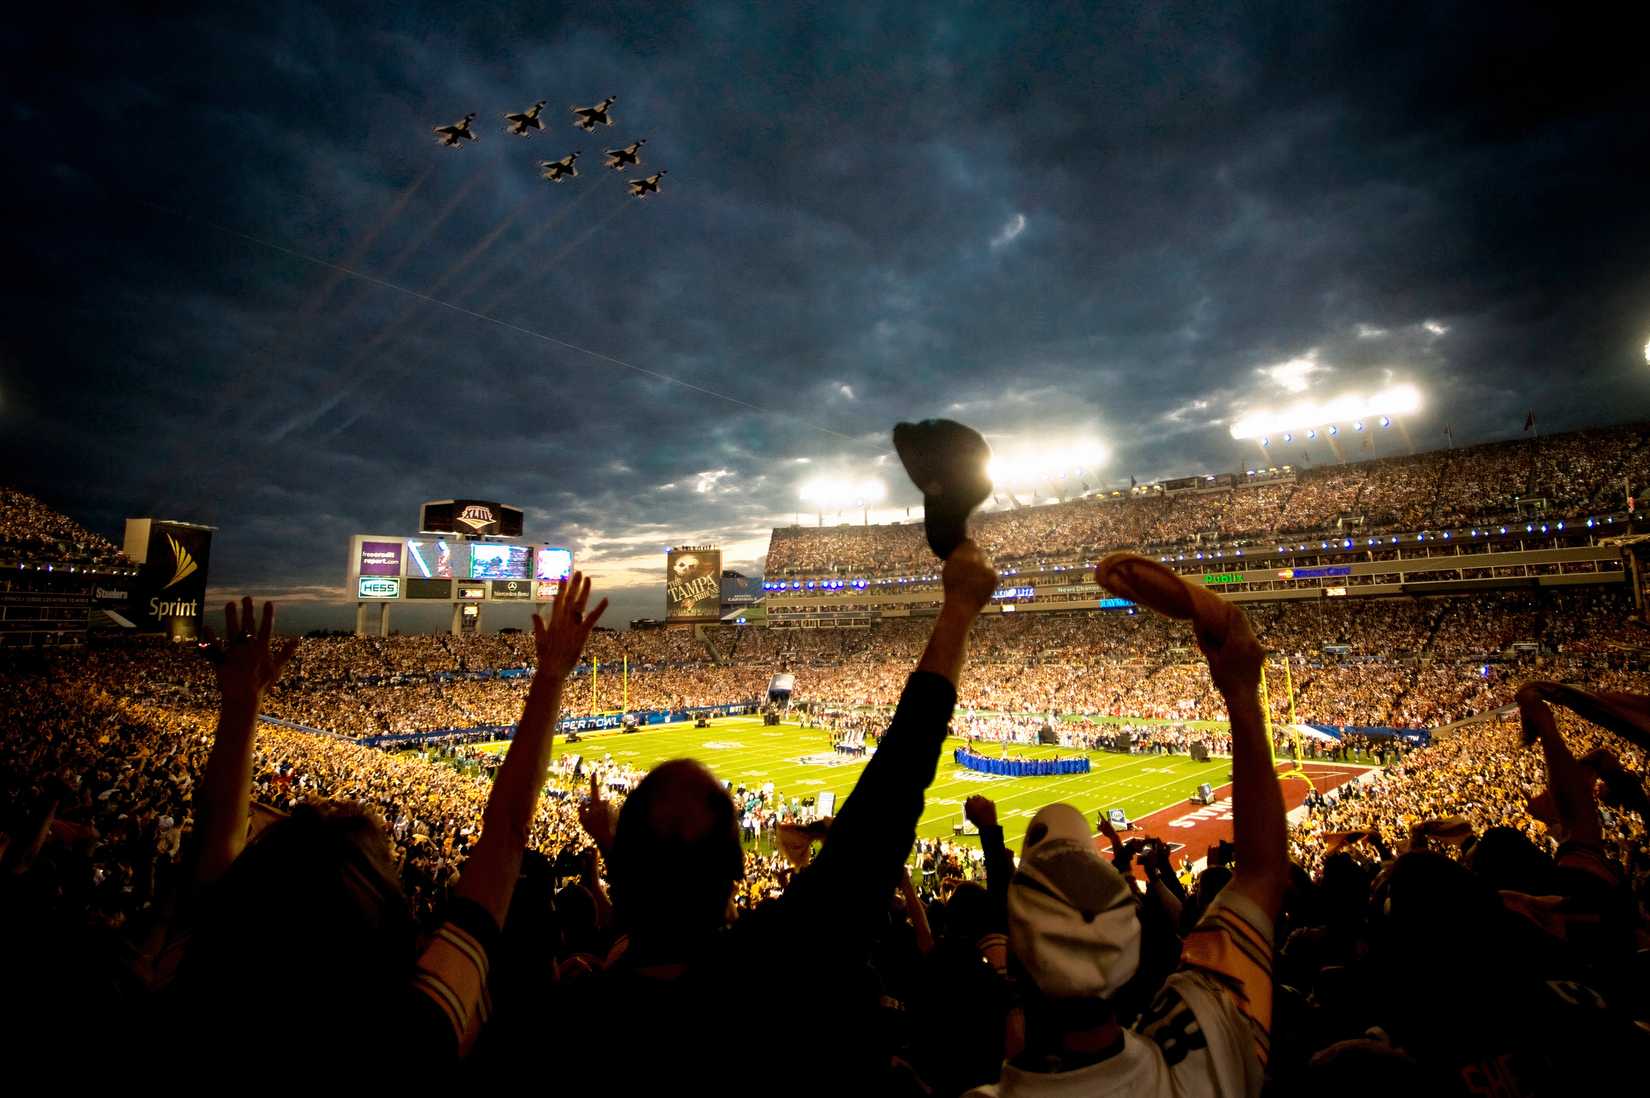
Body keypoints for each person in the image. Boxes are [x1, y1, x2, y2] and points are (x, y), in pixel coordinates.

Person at [524, 539, 1001, 1090]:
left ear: (626, 874)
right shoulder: (770, 970)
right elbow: (885, 805)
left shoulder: (571, 1019)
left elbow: (506, 836)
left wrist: (551, 677)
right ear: (735, 869)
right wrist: (957, 611)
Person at [170, 578, 607, 1064]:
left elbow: (213, 845)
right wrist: (550, 676)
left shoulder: (198, 977)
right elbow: (507, 832)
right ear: (387, 912)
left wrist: (240, 706)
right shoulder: (408, 1033)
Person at [968, 558, 1286, 1098]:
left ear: (1016, 963)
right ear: (1130, 955)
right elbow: (1262, 871)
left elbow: (1260, 873)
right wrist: (1239, 690)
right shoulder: (1205, 1047)